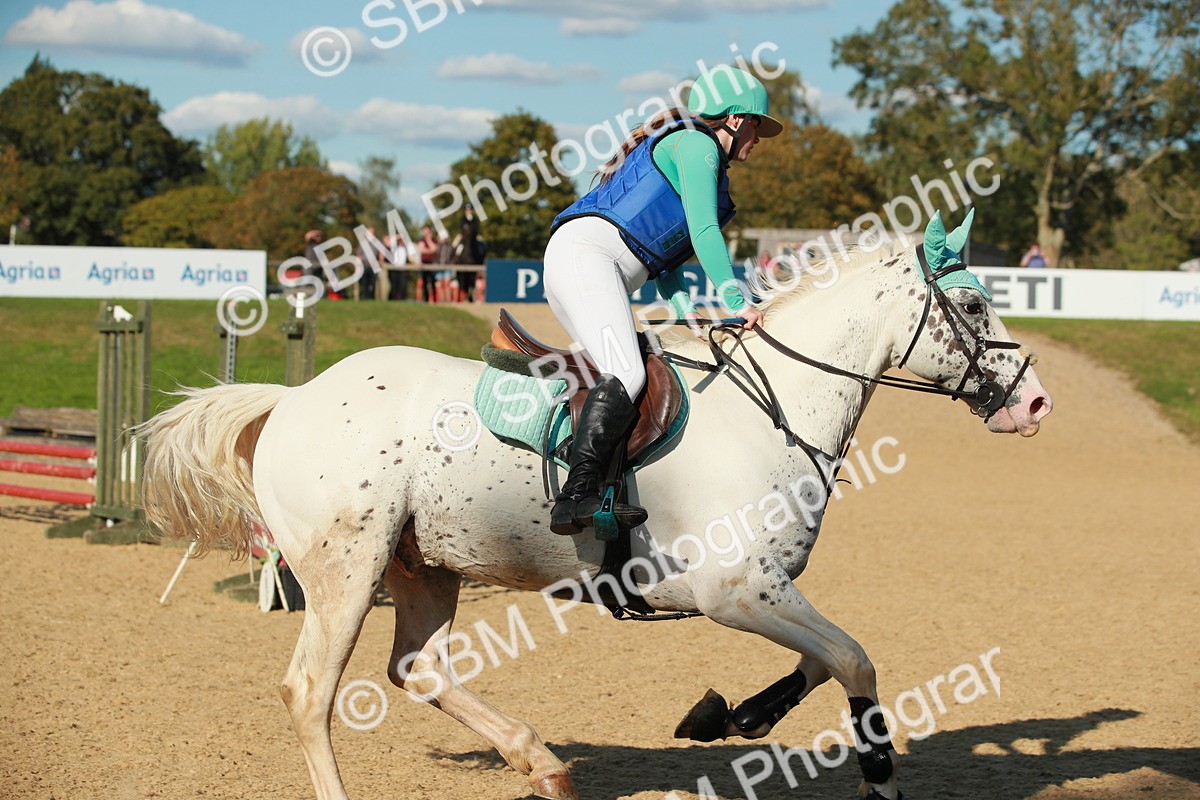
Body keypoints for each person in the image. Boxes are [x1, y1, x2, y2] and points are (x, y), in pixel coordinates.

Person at [542, 66, 779, 535]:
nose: (760, 137)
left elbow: (664, 258)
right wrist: (736, 300)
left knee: (636, 366)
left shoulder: (697, 150)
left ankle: (605, 487)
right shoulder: (697, 145)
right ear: (734, 119)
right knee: (627, 372)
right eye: (757, 124)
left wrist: (683, 309)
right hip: (586, 258)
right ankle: (575, 495)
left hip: (587, 261)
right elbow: (705, 231)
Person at [455, 203, 483, 302]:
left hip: (474, 238)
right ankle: (455, 260)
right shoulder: (463, 219)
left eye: (470, 209)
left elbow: (477, 230)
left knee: (482, 245)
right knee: (456, 245)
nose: (469, 211)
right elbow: (461, 229)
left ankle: (481, 261)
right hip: (464, 238)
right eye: (467, 210)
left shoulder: (475, 219)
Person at [416, 226, 439, 303]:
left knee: (433, 282)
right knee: (425, 282)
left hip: (432, 264)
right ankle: (426, 300)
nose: (425, 233)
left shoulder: (434, 240)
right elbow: (422, 250)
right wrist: (430, 250)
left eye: (427, 231)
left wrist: (429, 240)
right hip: (424, 264)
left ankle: (434, 301)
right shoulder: (421, 240)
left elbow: (434, 249)